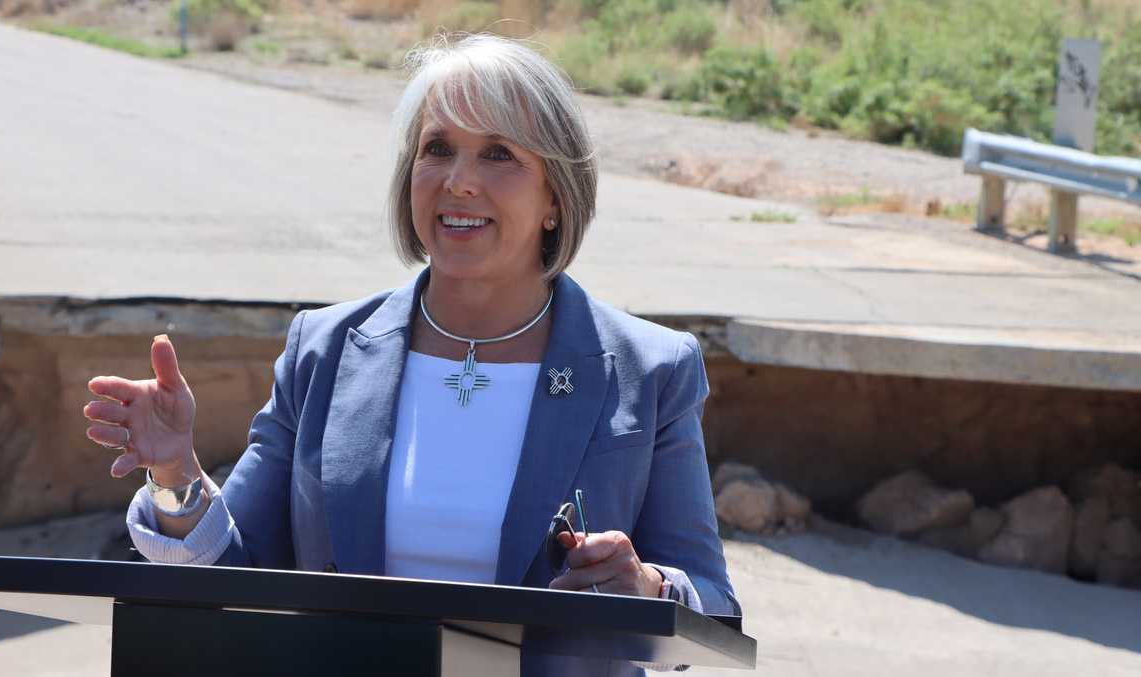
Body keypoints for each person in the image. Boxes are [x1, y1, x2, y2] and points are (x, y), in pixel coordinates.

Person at [83, 34, 738, 676]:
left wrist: (651, 590)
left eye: (498, 155)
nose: (458, 182)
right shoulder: (325, 350)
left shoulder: (650, 370)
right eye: (439, 149)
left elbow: (715, 617)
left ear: (555, 199)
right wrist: (175, 473)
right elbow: (238, 568)